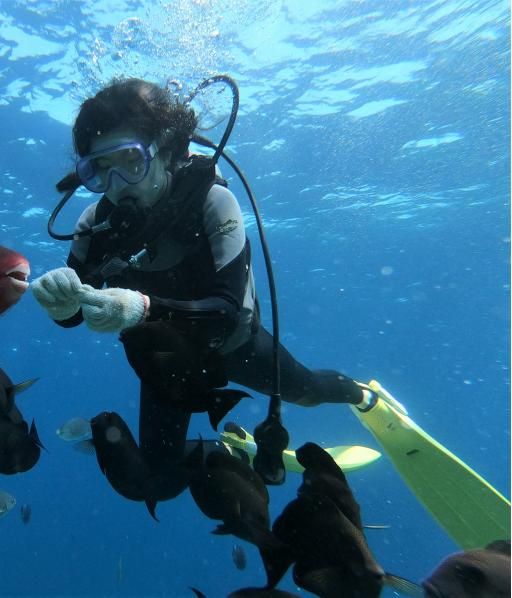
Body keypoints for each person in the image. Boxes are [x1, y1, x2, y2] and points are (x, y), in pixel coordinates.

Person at [31, 77, 374, 500]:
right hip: (164, 364)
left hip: (237, 346)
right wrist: (58, 301)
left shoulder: (213, 201)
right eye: (99, 170)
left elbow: (228, 310)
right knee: (154, 480)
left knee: (306, 391)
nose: (117, 184)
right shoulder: (94, 225)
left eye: (130, 162)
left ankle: (364, 395)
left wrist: (142, 309)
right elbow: (73, 313)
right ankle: (229, 453)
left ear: (167, 150)